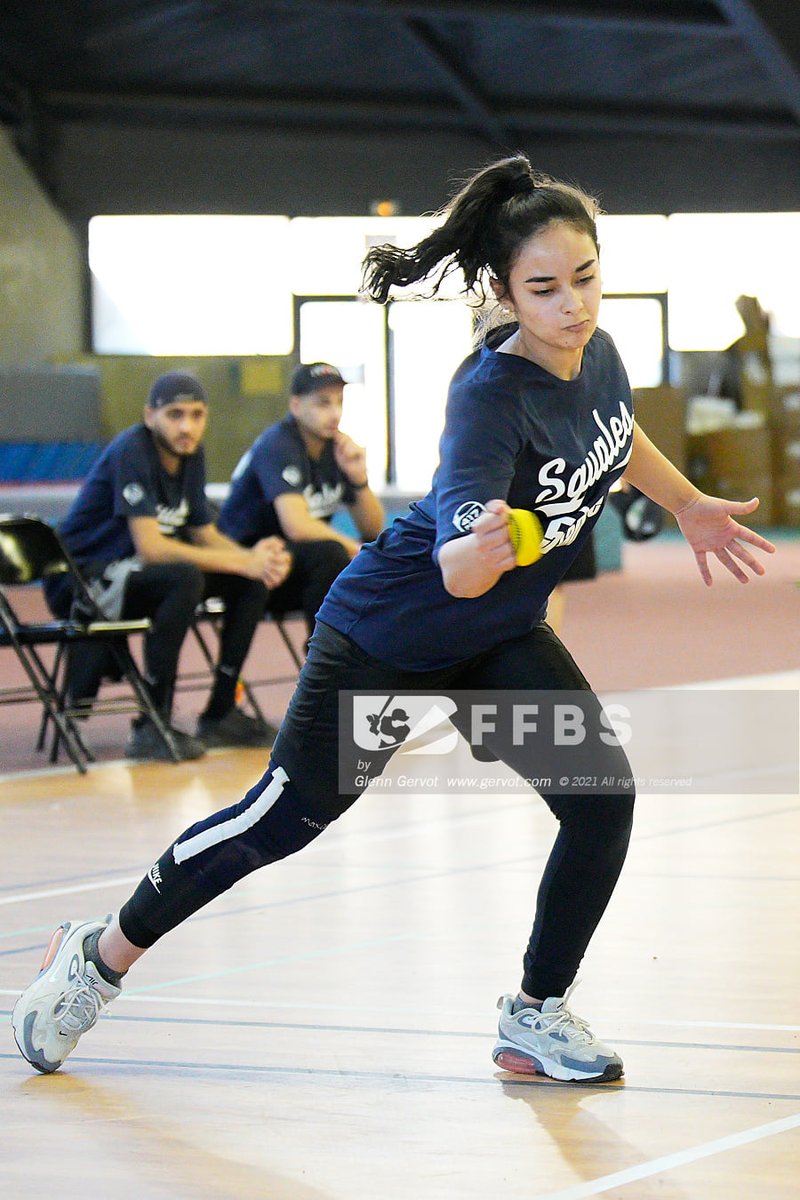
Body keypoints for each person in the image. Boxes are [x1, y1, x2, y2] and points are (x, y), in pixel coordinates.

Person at [13, 156, 775, 1082]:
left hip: (493, 641)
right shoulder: (486, 396)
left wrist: (687, 500)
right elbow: (456, 559)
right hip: (390, 636)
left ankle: (534, 1015)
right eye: (544, 288)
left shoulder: (599, 354)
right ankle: (96, 958)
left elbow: (617, 431)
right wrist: (479, 554)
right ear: (503, 293)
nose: (573, 304)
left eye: (585, 277)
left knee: (600, 801)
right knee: (279, 820)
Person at [44, 371, 291, 760]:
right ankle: (151, 723)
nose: (187, 426)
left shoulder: (190, 455)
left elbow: (203, 533)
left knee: (249, 584)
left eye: (196, 415)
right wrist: (242, 561)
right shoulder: (133, 451)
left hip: (137, 575)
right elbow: (153, 548)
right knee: (184, 578)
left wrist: (254, 561)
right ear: (150, 416)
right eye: (175, 414)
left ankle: (221, 713)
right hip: (84, 581)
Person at [218, 362, 385, 639]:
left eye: (339, 403)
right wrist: (357, 550)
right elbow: (297, 526)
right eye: (323, 404)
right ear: (296, 406)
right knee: (333, 553)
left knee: (355, 559)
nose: (334, 413)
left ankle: (345, 657)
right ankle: (322, 656)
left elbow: (373, 529)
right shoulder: (278, 444)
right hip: (248, 564)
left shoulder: (337, 448)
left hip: (297, 566)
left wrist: (358, 477)